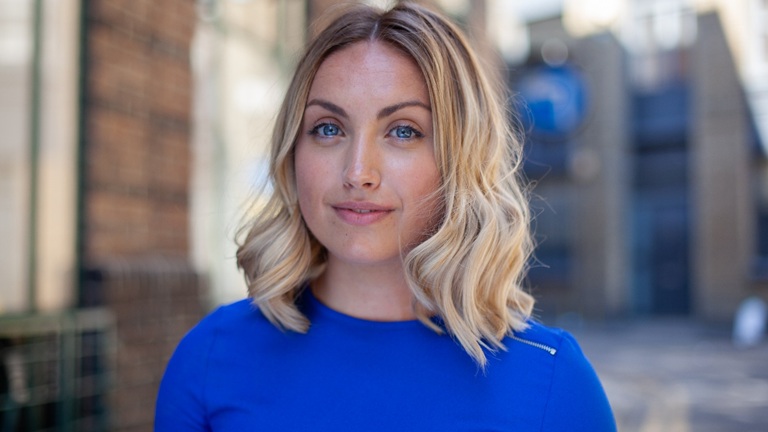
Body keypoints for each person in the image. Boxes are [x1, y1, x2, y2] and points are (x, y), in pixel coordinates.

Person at [155, 1, 617, 430]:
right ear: (293, 152)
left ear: (460, 160)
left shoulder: (553, 385)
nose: (358, 172)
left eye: (402, 131)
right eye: (329, 128)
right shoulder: (210, 361)